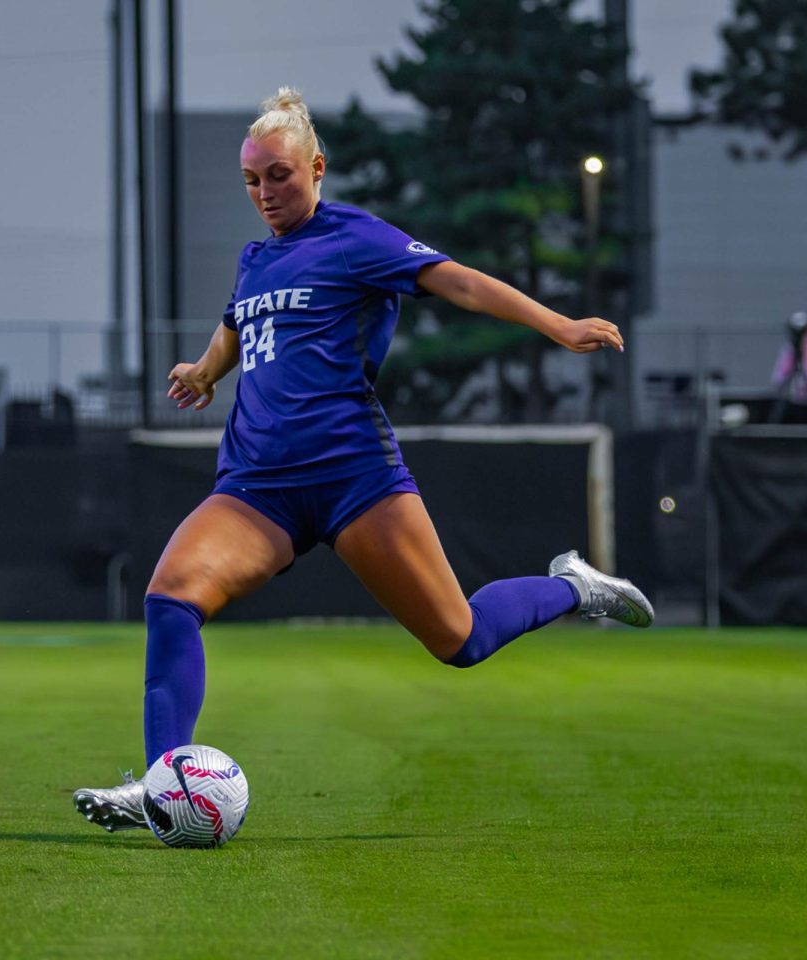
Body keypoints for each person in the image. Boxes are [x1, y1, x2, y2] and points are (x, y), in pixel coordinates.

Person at [74, 88, 653, 832]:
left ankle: (573, 588)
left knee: (461, 640)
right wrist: (203, 371)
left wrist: (557, 325)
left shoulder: (357, 238)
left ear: (317, 167)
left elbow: (464, 284)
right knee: (170, 597)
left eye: (279, 175)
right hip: (258, 487)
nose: (265, 193)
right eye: (253, 181)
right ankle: (161, 786)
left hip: (355, 478)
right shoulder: (256, 259)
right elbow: (237, 328)